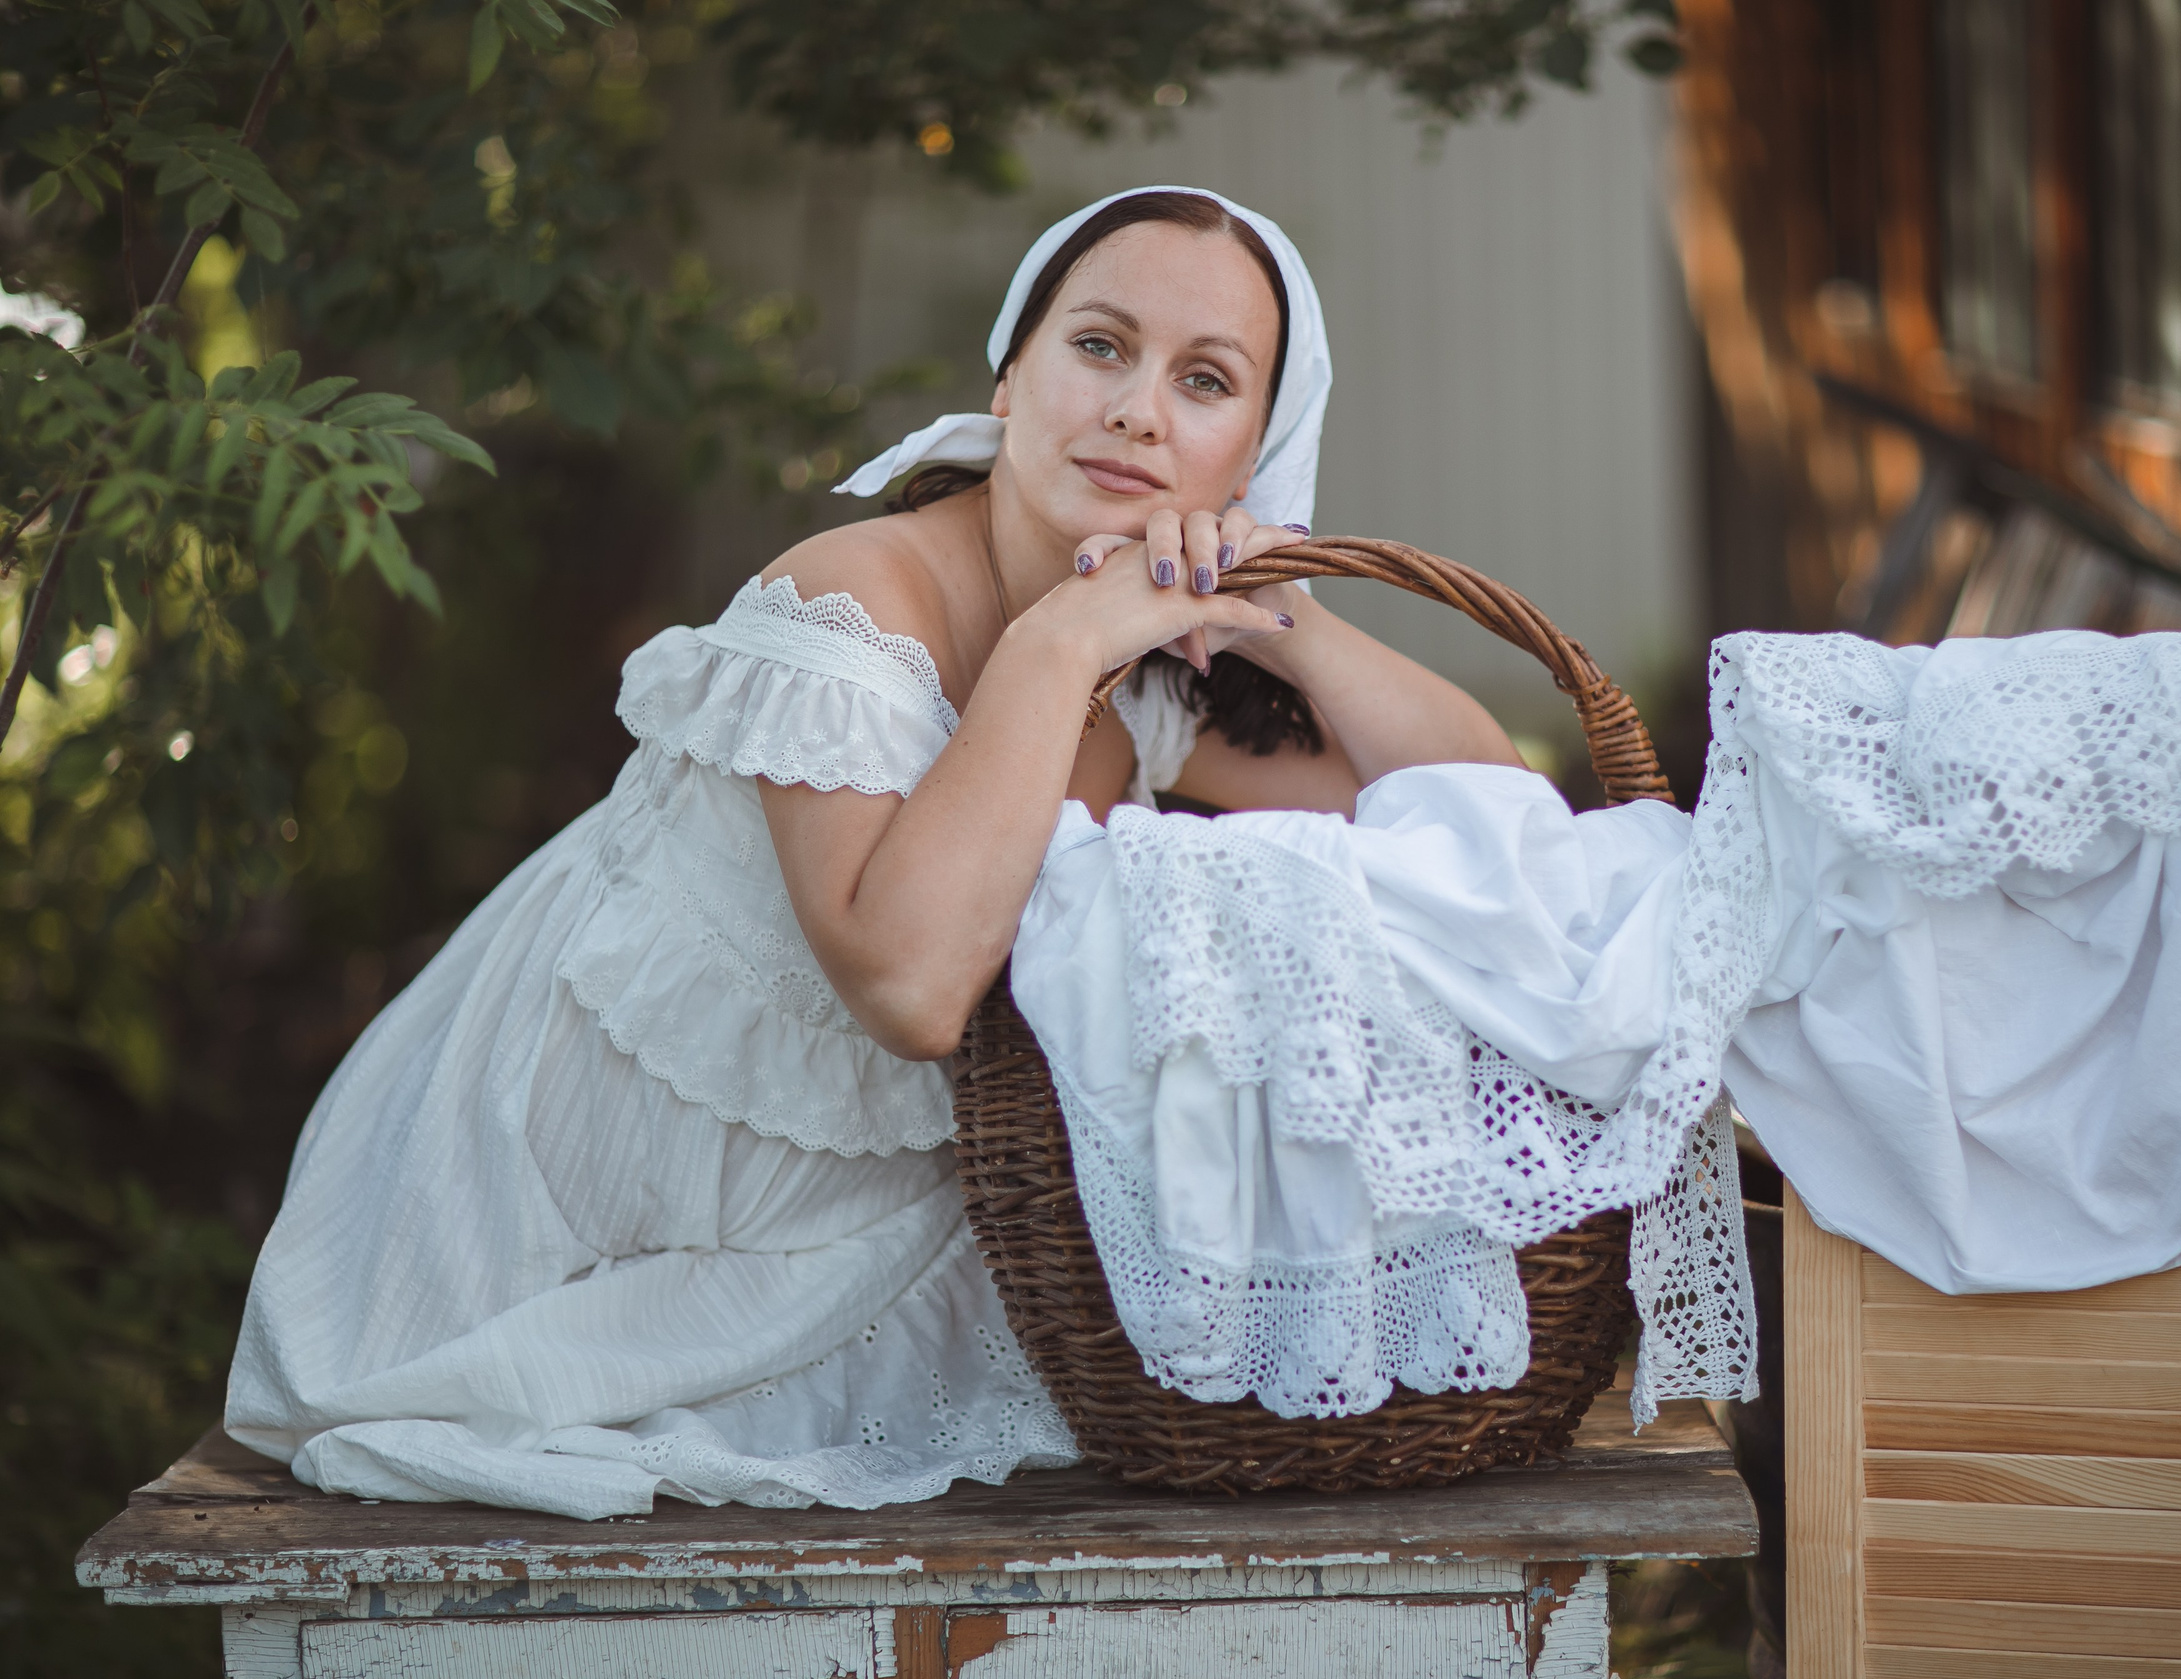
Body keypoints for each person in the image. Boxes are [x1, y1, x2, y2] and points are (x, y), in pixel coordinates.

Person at [224, 186, 1522, 1519]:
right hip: (553, 1203)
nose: (1140, 409)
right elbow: (910, 990)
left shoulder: (1154, 674)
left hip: (833, 1230)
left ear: (1250, 455)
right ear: (1009, 380)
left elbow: (1496, 811)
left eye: (1205, 381)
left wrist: (1283, 609)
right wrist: (1063, 637)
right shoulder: (852, 602)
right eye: (1099, 346)